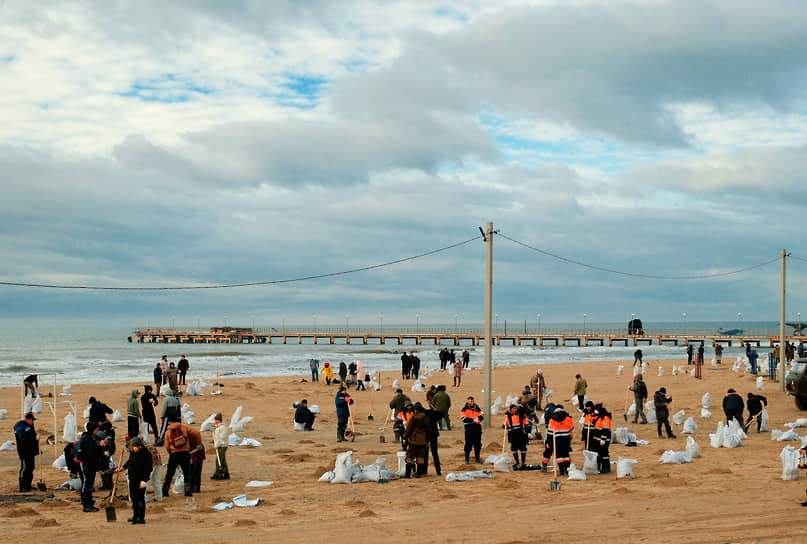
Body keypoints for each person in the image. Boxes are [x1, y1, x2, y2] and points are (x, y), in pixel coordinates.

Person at [75, 421, 107, 512]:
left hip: (91, 465)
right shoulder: (87, 439)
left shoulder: (90, 438)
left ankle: (89, 502)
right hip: (88, 465)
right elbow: (91, 453)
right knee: (87, 484)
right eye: (96, 430)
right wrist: (100, 447)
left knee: (90, 484)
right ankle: (86, 504)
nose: (97, 431)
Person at [119, 437, 152, 524]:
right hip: (132, 478)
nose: (134, 449)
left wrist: (144, 481)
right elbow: (130, 461)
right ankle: (135, 515)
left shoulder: (146, 454)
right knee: (133, 498)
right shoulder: (133, 451)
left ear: (140, 446)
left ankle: (141, 518)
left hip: (141, 480)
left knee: (140, 498)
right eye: (133, 447)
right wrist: (123, 467)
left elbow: (148, 469)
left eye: (135, 447)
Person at [162, 417, 194, 498]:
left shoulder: (168, 432)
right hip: (185, 453)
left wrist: (170, 453)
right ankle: (187, 490)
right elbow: (195, 433)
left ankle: (165, 490)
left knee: (170, 473)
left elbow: (166, 446)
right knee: (186, 472)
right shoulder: (184, 428)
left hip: (174, 454)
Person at [542, 405, 574, 476]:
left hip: (557, 440)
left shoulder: (552, 419)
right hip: (566, 439)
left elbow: (550, 433)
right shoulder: (568, 418)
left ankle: (561, 471)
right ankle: (567, 470)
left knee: (559, 456)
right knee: (566, 455)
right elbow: (571, 428)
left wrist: (548, 442)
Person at [403, 402, 431, 478]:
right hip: (423, 441)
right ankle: (419, 474)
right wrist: (427, 440)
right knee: (420, 457)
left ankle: (407, 474)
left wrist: (405, 436)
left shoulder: (413, 417)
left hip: (413, 441)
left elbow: (409, 428)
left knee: (410, 457)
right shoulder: (426, 418)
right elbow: (429, 430)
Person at [14, 412, 39, 492]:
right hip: (24, 451)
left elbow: (33, 438)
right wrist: (34, 439)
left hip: (31, 451)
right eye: (32, 420)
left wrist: (37, 449)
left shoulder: (30, 427)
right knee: (25, 468)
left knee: (31, 468)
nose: (32, 422)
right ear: (27, 420)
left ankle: (28, 485)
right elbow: (23, 439)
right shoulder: (20, 426)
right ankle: (22, 486)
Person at [503, 404, 530, 469]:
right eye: (513, 409)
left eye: (515, 408)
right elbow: (504, 425)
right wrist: (504, 425)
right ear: (510, 410)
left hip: (521, 434)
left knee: (523, 448)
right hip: (512, 434)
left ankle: (523, 462)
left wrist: (527, 430)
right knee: (514, 448)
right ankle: (517, 462)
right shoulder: (507, 416)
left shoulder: (521, 415)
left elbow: (526, 423)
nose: (514, 410)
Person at [460, 396, 484, 464]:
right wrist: (474, 420)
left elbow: (482, 415)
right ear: (468, 401)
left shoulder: (477, 408)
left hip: (477, 428)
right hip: (469, 428)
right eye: (470, 401)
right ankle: (467, 459)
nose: (472, 402)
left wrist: (478, 419)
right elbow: (464, 419)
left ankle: (477, 459)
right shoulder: (464, 409)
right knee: (468, 444)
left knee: (478, 444)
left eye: (472, 401)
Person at [593, 403, 612, 474]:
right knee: (599, 453)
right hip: (598, 440)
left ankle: (606, 468)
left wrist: (603, 439)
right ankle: (600, 467)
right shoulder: (598, 417)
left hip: (603, 440)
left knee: (604, 454)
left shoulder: (605, 418)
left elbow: (606, 430)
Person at [423, 406, 443, 476]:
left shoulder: (423, 415)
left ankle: (424, 471)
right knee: (435, 453)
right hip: (434, 435)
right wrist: (434, 409)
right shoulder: (433, 414)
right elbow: (441, 414)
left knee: (425, 453)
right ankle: (438, 471)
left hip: (426, 436)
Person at [211, 413, 230, 480]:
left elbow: (222, 438)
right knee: (223, 460)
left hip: (222, 445)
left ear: (219, 420)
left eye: (216, 420)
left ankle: (218, 474)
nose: (215, 421)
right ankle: (226, 474)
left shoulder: (223, 428)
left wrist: (217, 444)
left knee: (219, 460)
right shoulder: (217, 427)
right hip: (219, 445)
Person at [187, 424, 205, 493]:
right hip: (194, 456)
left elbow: (198, 448)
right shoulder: (189, 437)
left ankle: (197, 488)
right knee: (192, 472)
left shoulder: (194, 437)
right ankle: (192, 487)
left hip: (197, 457)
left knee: (196, 472)